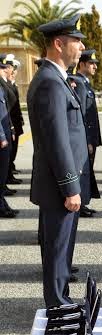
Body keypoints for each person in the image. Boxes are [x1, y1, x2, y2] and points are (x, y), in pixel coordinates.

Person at [27, 14, 90, 307]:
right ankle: (57, 305)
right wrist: (70, 187)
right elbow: (57, 141)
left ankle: (60, 298)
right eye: (76, 42)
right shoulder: (51, 82)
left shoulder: (56, 79)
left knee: (60, 247)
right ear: (58, 43)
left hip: (60, 182)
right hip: (58, 185)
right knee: (56, 247)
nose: (81, 48)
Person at [75, 49, 102, 217]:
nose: (95, 67)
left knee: (87, 170)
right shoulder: (78, 83)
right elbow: (82, 116)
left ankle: (84, 201)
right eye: (91, 63)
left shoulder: (85, 83)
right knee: (82, 171)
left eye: (95, 64)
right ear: (82, 64)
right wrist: (87, 140)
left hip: (91, 137)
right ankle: (81, 203)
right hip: (87, 139)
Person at [0, 56, 17, 218]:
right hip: (1, 136)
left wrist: (10, 127)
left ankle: (2, 204)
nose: (7, 70)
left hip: (5, 131)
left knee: (3, 172)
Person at [7, 58, 24, 183]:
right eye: (12, 69)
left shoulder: (12, 85)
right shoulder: (6, 85)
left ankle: (10, 171)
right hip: (10, 123)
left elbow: (16, 106)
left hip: (15, 123)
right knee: (10, 151)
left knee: (13, 150)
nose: (14, 72)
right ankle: (8, 175)